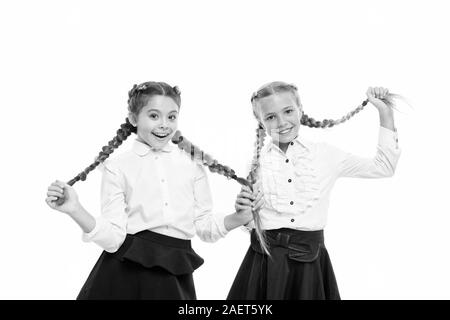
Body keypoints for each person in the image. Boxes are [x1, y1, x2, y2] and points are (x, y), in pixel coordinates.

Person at [45, 81, 263, 299]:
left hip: (175, 274)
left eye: (171, 116)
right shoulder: (118, 167)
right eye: (153, 116)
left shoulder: (192, 165)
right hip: (123, 276)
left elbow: (204, 227)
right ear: (133, 119)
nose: (164, 125)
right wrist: (75, 209)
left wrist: (240, 217)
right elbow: (113, 238)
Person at [227, 82, 401, 300]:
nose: (281, 122)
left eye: (288, 111)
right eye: (270, 117)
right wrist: (245, 217)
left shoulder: (326, 155)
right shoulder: (255, 164)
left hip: (310, 266)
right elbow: (252, 224)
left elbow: (383, 167)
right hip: (263, 263)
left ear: (300, 108)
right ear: (260, 121)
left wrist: (384, 112)